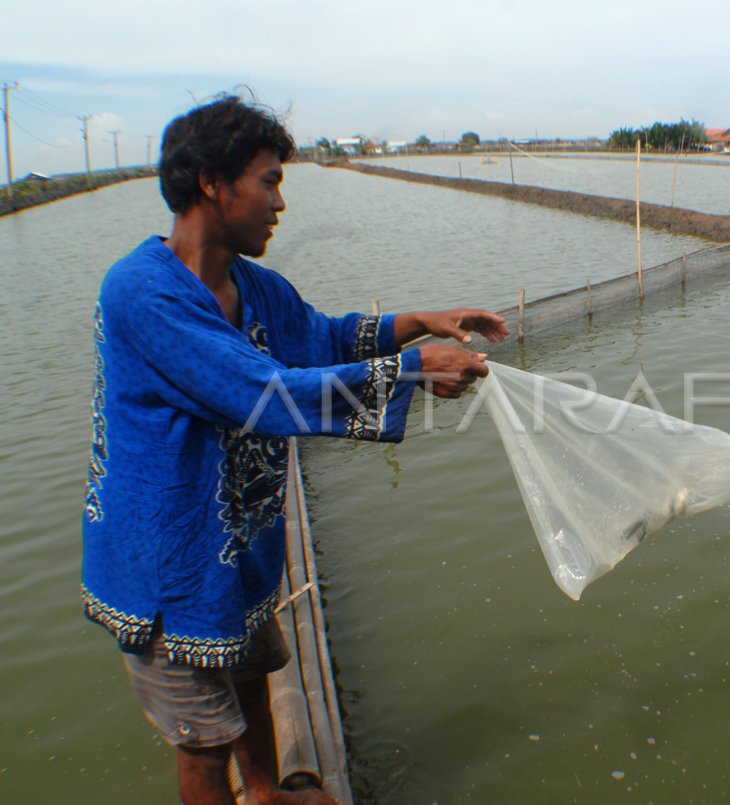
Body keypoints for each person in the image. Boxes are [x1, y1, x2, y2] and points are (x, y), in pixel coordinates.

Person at [81, 95, 508, 804]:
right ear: (213, 184)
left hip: (235, 549)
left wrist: (424, 322)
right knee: (202, 744)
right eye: (270, 180)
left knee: (250, 679)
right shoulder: (144, 293)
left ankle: (268, 792)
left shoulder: (254, 287)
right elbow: (263, 392)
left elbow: (326, 336)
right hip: (167, 562)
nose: (281, 201)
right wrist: (413, 370)